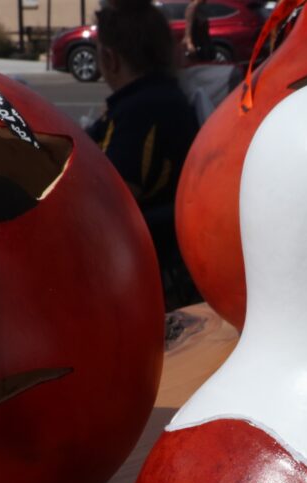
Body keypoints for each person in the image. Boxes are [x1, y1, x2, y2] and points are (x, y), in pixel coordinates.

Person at [86, 0, 201, 309]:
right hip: (168, 257)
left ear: (109, 58)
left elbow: (109, 198)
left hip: (143, 271)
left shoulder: (139, 112)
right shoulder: (165, 97)